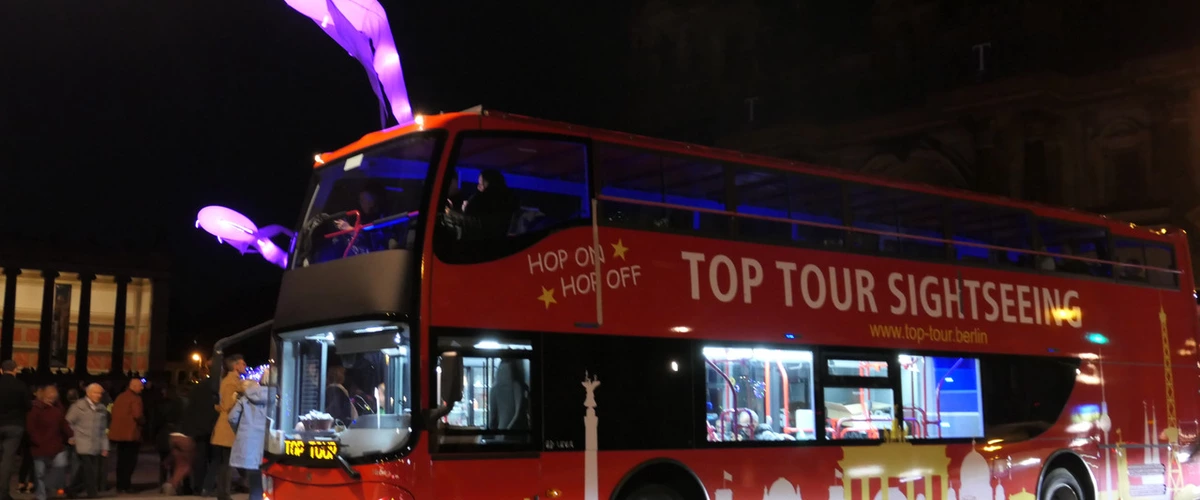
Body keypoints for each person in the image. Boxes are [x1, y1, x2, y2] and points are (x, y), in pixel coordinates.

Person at [228, 371, 271, 500]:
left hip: (250, 445)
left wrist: (241, 432)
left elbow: (232, 418)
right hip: (271, 446)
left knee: (255, 484)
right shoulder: (278, 398)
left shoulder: (246, 398)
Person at [26, 383, 73, 500]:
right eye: (49, 397)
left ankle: (48, 487)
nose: (51, 399)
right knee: (40, 473)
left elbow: (64, 425)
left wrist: (71, 435)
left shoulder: (58, 410)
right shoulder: (35, 409)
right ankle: (41, 496)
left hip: (56, 445)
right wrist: (38, 441)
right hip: (39, 447)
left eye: (53, 397)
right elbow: (31, 428)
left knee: (60, 465)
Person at [211, 355, 247, 500]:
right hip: (228, 428)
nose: (245, 366)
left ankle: (224, 493)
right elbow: (227, 405)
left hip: (228, 427)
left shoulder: (233, 381)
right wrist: (240, 396)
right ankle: (224, 494)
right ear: (236, 366)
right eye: (243, 364)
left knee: (227, 463)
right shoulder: (231, 383)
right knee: (227, 463)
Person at [65, 384, 108, 499]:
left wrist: (105, 446)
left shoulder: (102, 409)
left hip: (95, 444)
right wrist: (72, 437)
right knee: (89, 470)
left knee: (83, 470)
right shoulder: (78, 406)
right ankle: (92, 493)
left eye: (100, 393)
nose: (98, 395)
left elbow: (102, 429)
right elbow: (68, 422)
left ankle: (72, 489)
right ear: (88, 393)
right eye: (96, 393)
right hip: (81, 442)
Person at [182, 368, 219, 495]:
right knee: (214, 458)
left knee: (200, 459)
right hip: (210, 428)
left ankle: (199, 486)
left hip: (197, 429)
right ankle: (208, 486)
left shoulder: (196, 389)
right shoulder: (214, 389)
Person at [108, 378, 144, 493]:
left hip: (119, 434)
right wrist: (144, 422)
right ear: (133, 386)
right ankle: (126, 485)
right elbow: (137, 415)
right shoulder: (135, 398)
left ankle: (120, 485)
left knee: (121, 460)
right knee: (130, 461)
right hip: (131, 434)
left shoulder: (120, 397)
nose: (142, 388)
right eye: (140, 386)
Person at [0, 360, 30, 500]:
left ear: (1, 370)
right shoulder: (21, 385)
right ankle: (3, 493)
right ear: (15, 370)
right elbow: (28, 406)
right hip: (15, 425)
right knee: (7, 460)